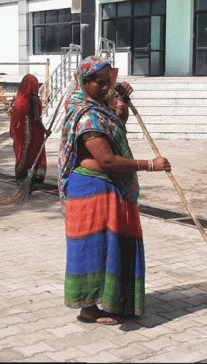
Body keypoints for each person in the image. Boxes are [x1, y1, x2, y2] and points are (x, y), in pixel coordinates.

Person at [58, 55, 171, 324]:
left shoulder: (99, 106)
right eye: (102, 82)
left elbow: (117, 122)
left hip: (109, 190)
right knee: (92, 249)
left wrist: (121, 101)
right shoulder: (85, 115)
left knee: (112, 247)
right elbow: (106, 160)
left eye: (111, 81)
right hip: (91, 191)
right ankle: (88, 309)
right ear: (84, 83)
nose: (108, 87)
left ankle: (114, 301)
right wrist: (150, 165)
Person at [10, 74, 49, 184]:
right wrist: (45, 130)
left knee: (23, 154)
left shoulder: (20, 98)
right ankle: (32, 180)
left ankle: (22, 178)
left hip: (24, 133)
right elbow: (37, 118)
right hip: (35, 132)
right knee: (34, 154)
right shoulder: (34, 99)